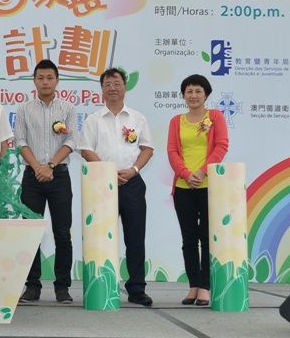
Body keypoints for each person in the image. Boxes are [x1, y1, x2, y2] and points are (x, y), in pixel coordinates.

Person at [77, 67, 154, 306]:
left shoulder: (137, 118)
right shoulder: (93, 120)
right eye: (108, 84)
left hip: (131, 183)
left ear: (125, 87)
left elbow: (147, 149)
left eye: (117, 83)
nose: (112, 88)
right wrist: (107, 172)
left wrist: (134, 170)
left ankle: (137, 288)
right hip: (101, 185)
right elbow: (85, 149)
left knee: (135, 237)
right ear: (102, 89)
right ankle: (102, 284)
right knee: (101, 237)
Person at [15, 59, 77, 304]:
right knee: (30, 233)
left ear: (57, 80)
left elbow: (71, 141)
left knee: (62, 233)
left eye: (50, 77)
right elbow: (20, 141)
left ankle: (62, 288)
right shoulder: (24, 109)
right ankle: (32, 287)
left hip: (59, 175)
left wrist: (50, 166)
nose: (45, 82)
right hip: (32, 177)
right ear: (34, 81)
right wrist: (37, 167)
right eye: (40, 78)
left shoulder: (68, 108)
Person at [167, 74, 229, 306]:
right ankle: (193, 285)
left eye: (198, 91)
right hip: (183, 188)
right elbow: (172, 151)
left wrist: (202, 172)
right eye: (189, 91)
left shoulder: (216, 117)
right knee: (189, 239)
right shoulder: (176, 121)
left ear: (206, 94)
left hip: (209, 187)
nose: (193, 95)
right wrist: (185, 174)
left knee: (207, 238)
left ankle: (205, 287)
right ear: (183, 95)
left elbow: (221, 146)